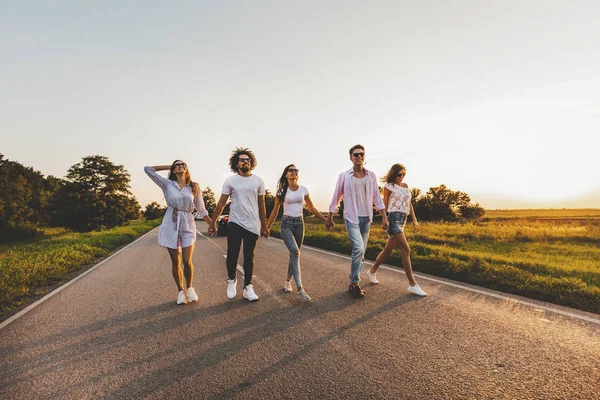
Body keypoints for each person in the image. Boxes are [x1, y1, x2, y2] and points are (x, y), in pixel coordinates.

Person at [144, 160, 212, 305]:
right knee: (176, 261)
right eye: (178, 165)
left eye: (183, 164)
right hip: (171, 222)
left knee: (187, 261)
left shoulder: (194, 187)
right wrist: (169, 166)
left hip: (188, 223)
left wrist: (211, 223)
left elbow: (201, 208)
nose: (181, 166)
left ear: (187, 169)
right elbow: (148, 169)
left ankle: (190, 288)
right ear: (174, 170)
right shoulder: (167, 184)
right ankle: (181, 291)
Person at [325, 145, 389, 298]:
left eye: (361, 154)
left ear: (364, 156)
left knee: (362, 252)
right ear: (351, 157)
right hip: (351, 217)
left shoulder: (371, 176)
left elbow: (377, 197)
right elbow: (336, 196)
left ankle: (353, 284)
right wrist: (330, 216)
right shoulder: (344, 176)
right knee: (359, 248)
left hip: (366, 218)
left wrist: (384, 217)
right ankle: (355, 281)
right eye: (355, 155)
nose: (359, 157)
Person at [209, 147, 267, 302]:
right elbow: (221, 203)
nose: (245, 161)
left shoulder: (258, 181)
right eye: (242, 159)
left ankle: (248, 287)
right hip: (235, 222)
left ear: (251, 163)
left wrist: (265, 225)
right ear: (236, 163)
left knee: (249, 257)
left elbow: (262, 205)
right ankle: (231, 280)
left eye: (247, 159)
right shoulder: (230, 181)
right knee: (232, 254)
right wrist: (213, 222)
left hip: (252, 224)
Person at [266, 164, 328, 302]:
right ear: (286, 174)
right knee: (295, 252)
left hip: (299, 224)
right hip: (286, 224)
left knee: (294, 254)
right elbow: (275, 211)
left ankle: (288, 281)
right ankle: (300, 289)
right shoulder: (282, 191)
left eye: (296, 170)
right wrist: (267, 227)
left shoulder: (303, 190)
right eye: (291, 170)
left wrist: (325, 220)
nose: (294, 172)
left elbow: (312, 208)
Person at [366, 163, 427, 296]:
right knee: (406, 249)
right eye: (399, 174)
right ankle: (413, 284)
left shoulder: (405, 186)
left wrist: (414, 220)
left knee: (387, 251)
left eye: (404, 174)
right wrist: (384, 219)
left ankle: (371, 271)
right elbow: (384, 204)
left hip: (403, 218)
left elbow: (409, 204)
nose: (402, 177)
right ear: (394, 174)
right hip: (393, 218)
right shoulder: (388, 187)